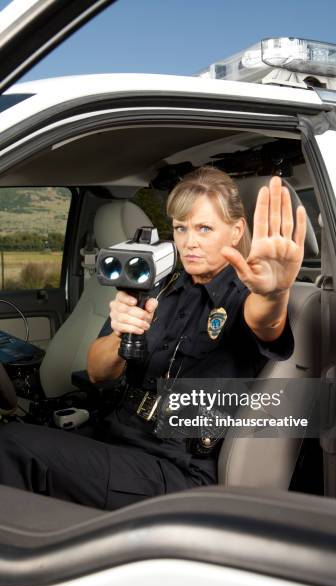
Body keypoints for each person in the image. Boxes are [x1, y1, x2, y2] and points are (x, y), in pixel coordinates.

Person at [0, 167, 306, 510]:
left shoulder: (243, 296)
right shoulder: (161, 287)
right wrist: (120, 331)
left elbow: (265, 321)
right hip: (115, 436)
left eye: (205, 228)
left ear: (235, 232)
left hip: (173, 469)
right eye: (181, 228)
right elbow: (99, 373)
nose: (189, 242)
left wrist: (275, 293)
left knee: (11, 445)